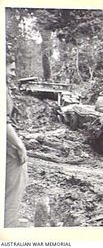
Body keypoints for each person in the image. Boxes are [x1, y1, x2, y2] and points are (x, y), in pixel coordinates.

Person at [6, 56, 28, 227]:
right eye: (11, 69)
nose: (13, 73)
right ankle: (9, 226)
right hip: (7, 148)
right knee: (13, 189)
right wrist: (19, 145)